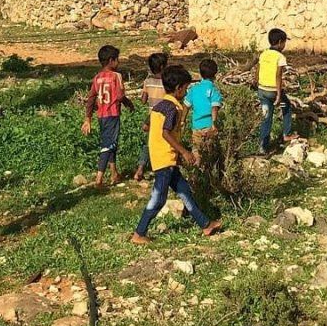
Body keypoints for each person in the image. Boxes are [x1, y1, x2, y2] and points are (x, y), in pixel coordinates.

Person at [131, 64, 222, 244]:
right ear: (179, 89)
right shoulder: (173, 108)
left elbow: (146, 126)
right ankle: (139, 233)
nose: (186, 92)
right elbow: (166, 133)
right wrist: (184, 151)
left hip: (165, 158)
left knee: (185, 192)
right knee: (158, 199)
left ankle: (205, 225)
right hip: (165, 160)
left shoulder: (160, 105)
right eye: (186, 88)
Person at [82, 44, 135, 187]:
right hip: (113, 114)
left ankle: (114, 173)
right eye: (117, 60)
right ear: (112, 60)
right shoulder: (116, 76)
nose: (119, 63)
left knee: (111, 143)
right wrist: (128, 103)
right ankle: (99, 178)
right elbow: (120, 96)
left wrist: (88, 118)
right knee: (107, 145)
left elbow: (91, 98)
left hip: (101, 115)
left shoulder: (97, 77)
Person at [255, 27, 295, 152]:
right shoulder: (280, 57)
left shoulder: (264, 54)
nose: (284, 45)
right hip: (273, 91)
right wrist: (278, 94)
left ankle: (263, 146)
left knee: (266, 117)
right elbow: (278, 75)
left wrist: (257, 84)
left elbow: (257, 71)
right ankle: (286, 134)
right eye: (284, 43)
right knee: (287, 107)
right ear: (279, 42)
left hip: (262, 90)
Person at [132, 52, 168, 182]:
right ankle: (162, 168)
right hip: (164, 117)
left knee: (148, 144)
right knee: (166, 142)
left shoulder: (147, 81)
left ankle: (140, 169)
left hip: (151, 118)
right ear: (163, 66)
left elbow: (143, 100)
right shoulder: (166, 83)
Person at [185, 57, 223, 160]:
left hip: (196, 126)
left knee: (197, 151)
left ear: (200, 73)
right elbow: (214, 107)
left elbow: (186, 106)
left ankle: (197, 172)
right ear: (215, 74)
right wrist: (214, 124)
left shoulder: (194, 89)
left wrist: (182, 120)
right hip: (209, 125)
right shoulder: (213, 90)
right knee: (209, 153)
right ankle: (208, 173)